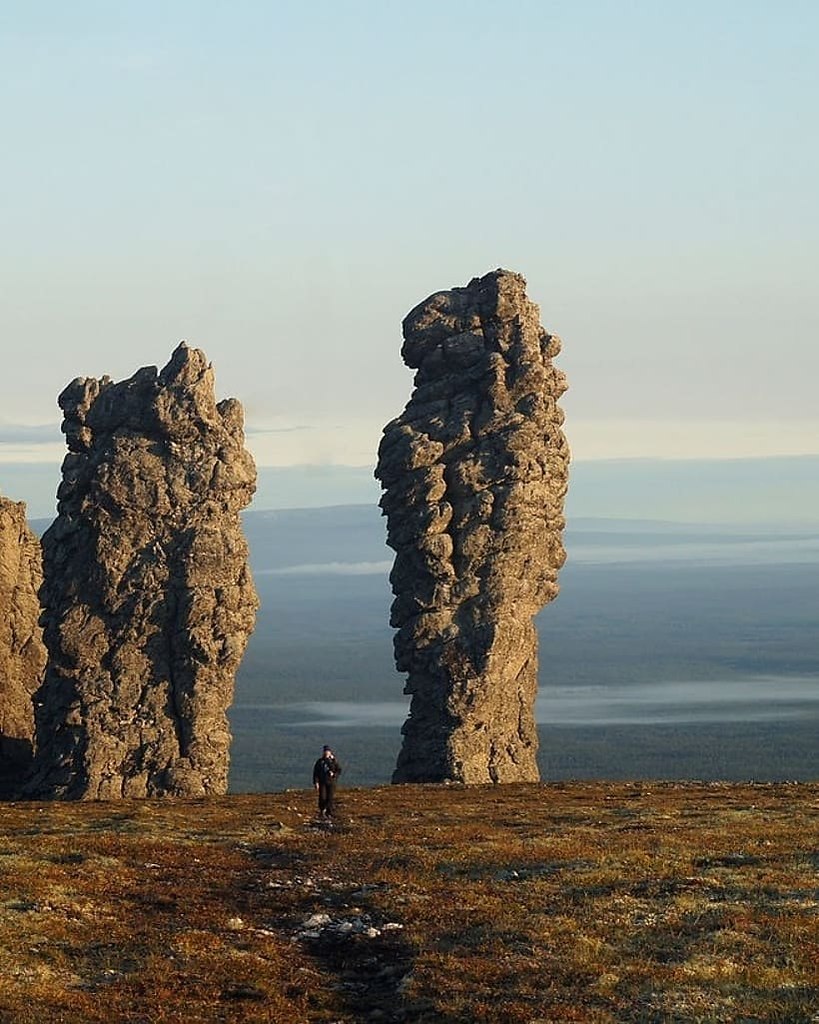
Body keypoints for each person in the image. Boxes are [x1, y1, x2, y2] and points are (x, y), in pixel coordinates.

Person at [312, 745, 342, 818]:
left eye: (327, 752)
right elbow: (316, 772)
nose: (326, 753)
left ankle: (329, 812)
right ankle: (322, 810)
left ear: (330, 752)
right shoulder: (320, 762)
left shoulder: (333, 761)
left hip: (331, 782)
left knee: (330, 797)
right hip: (322, 782)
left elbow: (339, 770)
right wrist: (316, 782)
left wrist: (334, 774)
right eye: (325, 752)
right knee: (322, 797)